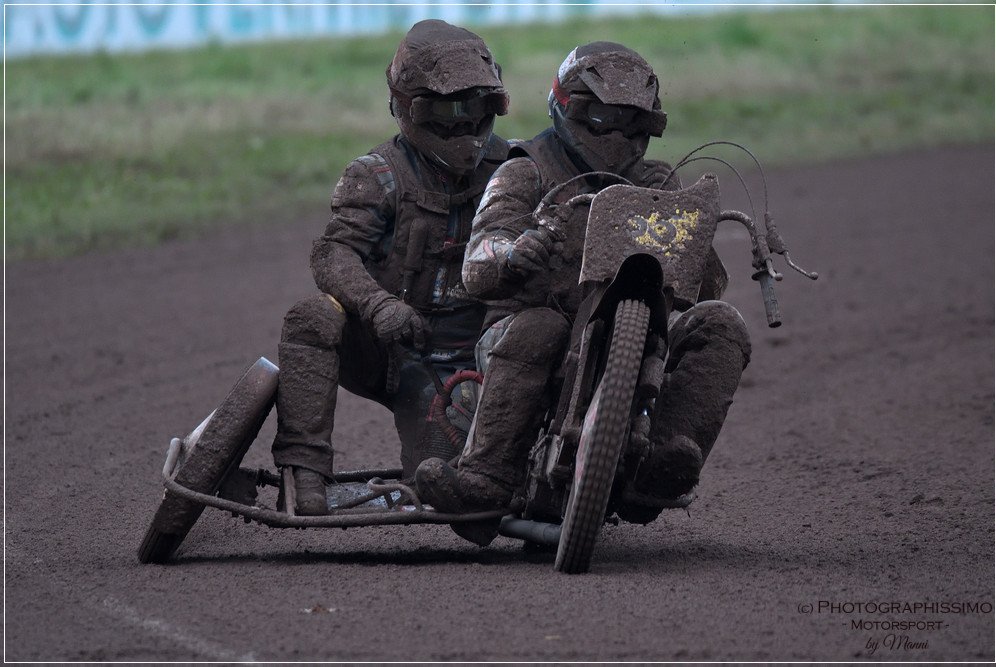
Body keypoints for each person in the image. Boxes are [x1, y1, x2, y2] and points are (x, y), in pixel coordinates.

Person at [414, 42, 752, 544]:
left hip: (638, 328)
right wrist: (510, 252)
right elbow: (479, 257)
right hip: (527, 325)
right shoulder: (525, 168)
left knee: (723, 324)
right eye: (601, 118)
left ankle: (664, 457)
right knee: (541, 328)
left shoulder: (660, 181)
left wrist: (694, 249)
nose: (616, 134)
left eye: (631, 123)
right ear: (568, 106)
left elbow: (705, 286)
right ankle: (485, 475)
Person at [272, 20, 510, 515]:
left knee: (447, 480)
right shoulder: (377, 174)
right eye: (448, 110)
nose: (464, 124)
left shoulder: (516, 168)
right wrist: (379, 306)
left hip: (484, 361)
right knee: (312, 317)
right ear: (408, 107)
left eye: (476, 107)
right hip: (394, 353)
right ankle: (304, 471)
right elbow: (332, 254)